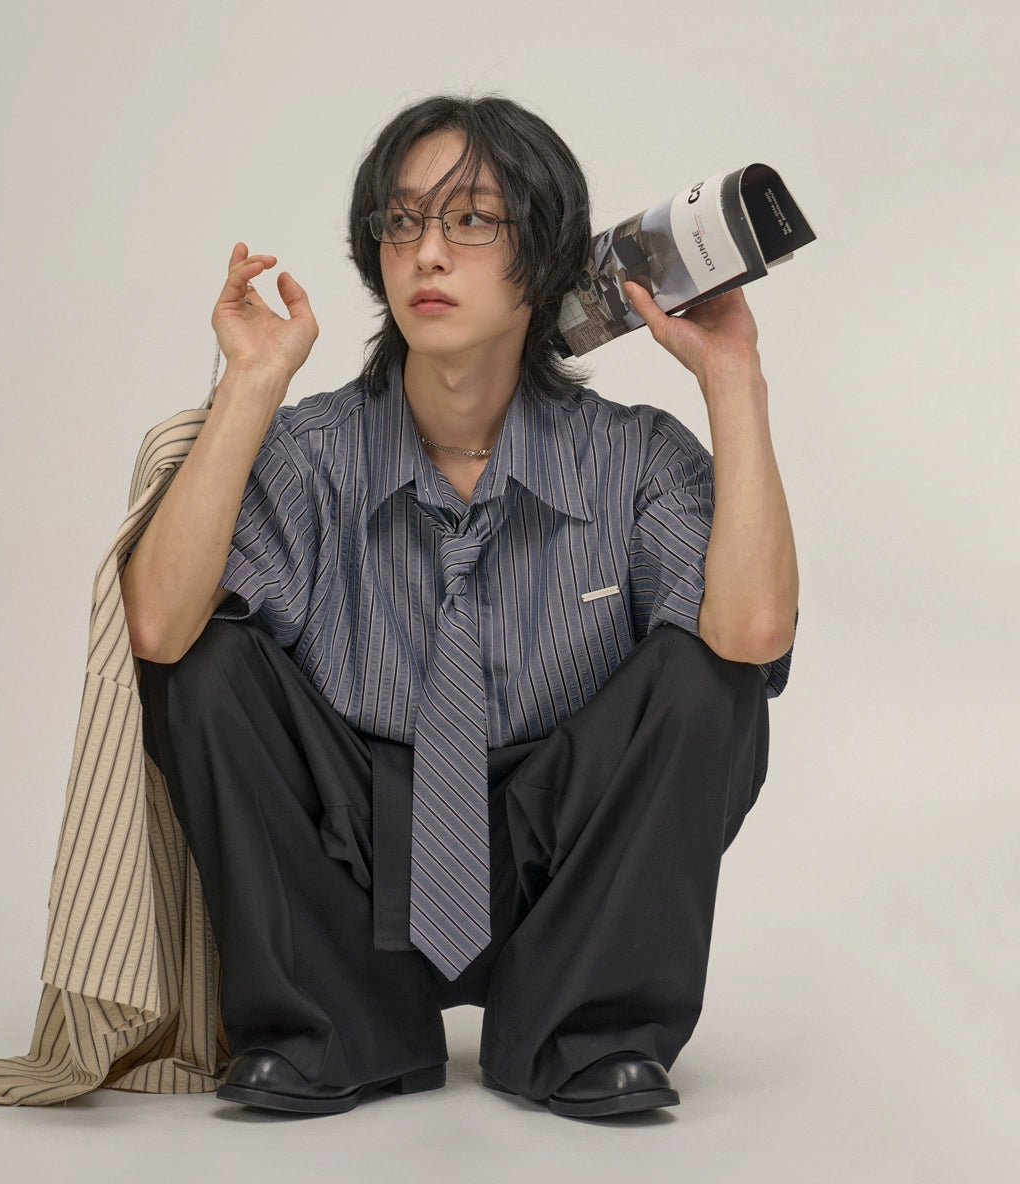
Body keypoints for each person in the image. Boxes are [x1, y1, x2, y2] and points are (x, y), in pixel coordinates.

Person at [121, 93, 798, 1120]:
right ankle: (335, 1027)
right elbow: (156, 630)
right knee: (207, 660)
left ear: (549, 254)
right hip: (352, 848)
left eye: (472, 219)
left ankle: (583, 1032)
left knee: (711, 673)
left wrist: (733, 381)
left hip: (564, 858)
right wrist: (251, 385)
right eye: (402, 221)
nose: (426, 253)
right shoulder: (307, 453)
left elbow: (751, 634)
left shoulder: (637, 458)